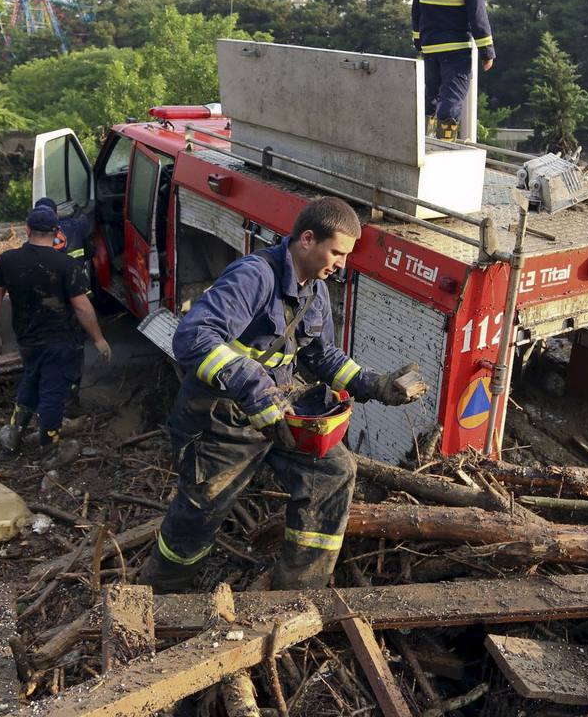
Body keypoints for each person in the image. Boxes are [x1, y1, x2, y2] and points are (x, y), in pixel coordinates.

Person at [139, 197, 427, 593]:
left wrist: (372, 384)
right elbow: (191, 337)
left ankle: (299, 589)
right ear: (307, 239)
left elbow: (321, 355)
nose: (341, 264)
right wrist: (253, 387)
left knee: (334, 471)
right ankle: (162, 590)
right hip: (221, 420)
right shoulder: (255, 276)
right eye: (337, 252)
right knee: (201, 511)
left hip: (277, 413)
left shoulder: (315, 291)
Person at [0, 204, 112, 468]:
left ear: (27, 229)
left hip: (28, 339)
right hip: (60, 341)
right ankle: (49, 448)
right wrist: (98, 338)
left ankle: (14, 434)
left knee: (31, 379)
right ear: (56, 233)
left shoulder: (7, 260)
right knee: (53, 392)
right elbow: (81, 306)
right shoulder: (66, 265)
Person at [412, 0, 495, 141]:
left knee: (431, 96)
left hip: (430, 46)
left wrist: (418, 41)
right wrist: (487, 51)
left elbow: (416, 10)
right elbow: (477, 15)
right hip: (456, 49)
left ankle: (423, 144)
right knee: (451, 98)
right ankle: (444, 147)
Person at [33, 196, 95, 410]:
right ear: (56, 216)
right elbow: (90, 230)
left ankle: (45, 397)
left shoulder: (29, 245)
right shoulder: (74, 227)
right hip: (74, 299)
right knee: (75, 349)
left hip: (46, 306)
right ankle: (71, 400)